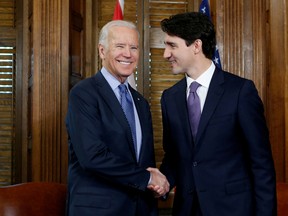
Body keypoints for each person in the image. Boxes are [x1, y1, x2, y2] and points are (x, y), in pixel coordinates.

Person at [159, 12, 277, 216]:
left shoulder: (240, 91)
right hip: (186, 209)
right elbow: (174, 157)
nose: (165, 54)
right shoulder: (169, 98)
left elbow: (261, 163)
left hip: (232, 209)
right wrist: (158, 182)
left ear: (196, 45)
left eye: (172, 45)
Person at [65, 20, 169, 216]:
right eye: (120, 46)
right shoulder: (84, 93)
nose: (128, 54)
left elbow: (144, 160)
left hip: (140, 209)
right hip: (99, 210)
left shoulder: (140, 102)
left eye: (134, 47)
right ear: (102, 51)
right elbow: (92, 157)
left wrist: (155, 184)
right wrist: (147, 178)